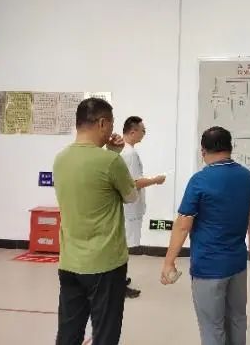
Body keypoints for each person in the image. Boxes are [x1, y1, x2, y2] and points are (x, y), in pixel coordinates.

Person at [160, 126, 250, 345]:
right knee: (237, 319)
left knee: (212, 326)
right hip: (237, 264)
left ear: (203, 151)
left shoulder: (200, 180)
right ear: (230, 147)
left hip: (208, 267)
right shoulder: (246, 177)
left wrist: (169, 262)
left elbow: (183, 225)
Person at [53, 98, 138, 345]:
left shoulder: (60, 159)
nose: (112, 131)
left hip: (70, 262)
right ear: (102, 123)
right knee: (105, 333)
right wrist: (113, 154)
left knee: (69, 332)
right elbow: (131, 196)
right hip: (105, 263)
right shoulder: (110, 161)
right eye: (110, 124)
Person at [120, 116, 166, 298]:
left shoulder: (124, 150)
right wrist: (156, 180)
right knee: (122, 248)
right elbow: (135, 182)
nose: (144, 134)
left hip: (126, 206)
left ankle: (119, 280)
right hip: (128, 208)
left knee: (122, 246)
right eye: (143, 131)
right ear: (133, 131)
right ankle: (118, 284)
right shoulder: (129, 153)